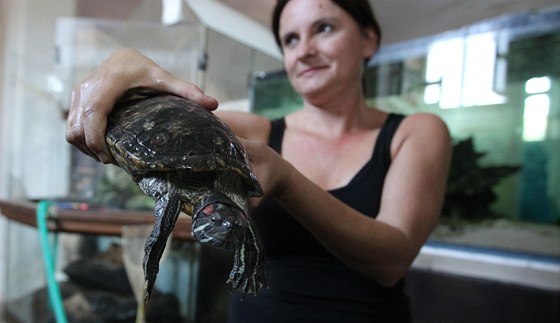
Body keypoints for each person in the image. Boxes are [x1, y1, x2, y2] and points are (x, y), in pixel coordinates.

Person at [66, 0, 451, 321]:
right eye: (291, 39)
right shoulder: (257, 130)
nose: (304, 49)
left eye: (325, 29)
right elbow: (161, 123)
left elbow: (391, 261)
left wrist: (285, 177)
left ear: (369, 39)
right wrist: (122, 64)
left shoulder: (415, 132)